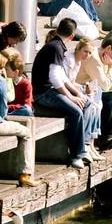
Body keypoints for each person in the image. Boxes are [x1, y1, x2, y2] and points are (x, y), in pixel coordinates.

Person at [31, 19, 90, 168]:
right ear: (71, 36)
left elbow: (62, 76)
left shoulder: (57, 46)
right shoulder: (55, 48)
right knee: (76, 112)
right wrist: (70, 97)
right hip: (43, 93)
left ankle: (85, 145)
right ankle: (76, 155)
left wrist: (78, 93)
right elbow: (55, 78)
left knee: (87, 103)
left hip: (51, 90)